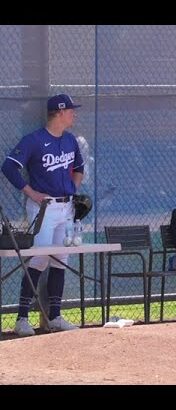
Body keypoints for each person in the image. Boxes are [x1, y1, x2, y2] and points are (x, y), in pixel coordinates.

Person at [1, 93, 85, 337]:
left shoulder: (70, 141)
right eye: (70, 110)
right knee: (38, 258)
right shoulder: (34, 140)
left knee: (61, 258)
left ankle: (55, 316)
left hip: (66, 207)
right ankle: (22, 318)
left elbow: (78, 168)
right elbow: (9, 166)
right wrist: (30, 191)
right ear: (58, 113)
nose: (73, 114)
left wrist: (73, 189)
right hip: (43, 208)